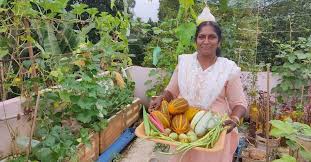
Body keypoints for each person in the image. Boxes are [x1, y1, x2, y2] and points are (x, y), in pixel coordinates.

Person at [148, 19, 247, 162]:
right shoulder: (184, 63)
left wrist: (235, 118)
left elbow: (239, 103)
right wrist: (161, 98)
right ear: (196, 41)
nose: (206, 41)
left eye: (212, 37)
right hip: (183, 130)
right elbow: (171, 91)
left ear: (219, 42)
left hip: (213, 131)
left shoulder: (228, 69)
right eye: (201, 37)